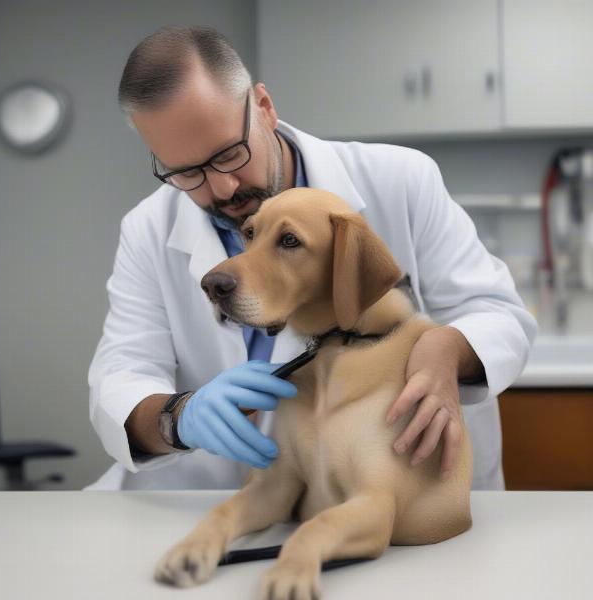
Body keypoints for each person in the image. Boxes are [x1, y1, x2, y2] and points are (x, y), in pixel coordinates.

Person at [86, 26, 537, 491]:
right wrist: (178, 419)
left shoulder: (400, 180)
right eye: (185, 173)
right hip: (209, 501)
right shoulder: (147, 228)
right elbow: (121, 376)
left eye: (228, 154)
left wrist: (444, 348)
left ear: (263, 107)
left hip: (396, 501)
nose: (222, 189)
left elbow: (498, 315)